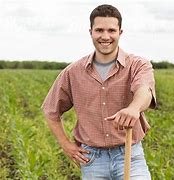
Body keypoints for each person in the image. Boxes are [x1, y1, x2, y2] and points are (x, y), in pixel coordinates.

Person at [42, 4, 156, 180]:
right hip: (92, 158)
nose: (105, 36)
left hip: (129, 154)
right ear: (91, 32)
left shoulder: (138, 65)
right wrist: (65, 144)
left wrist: (134, 108)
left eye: (111, 30)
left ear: (120, 32)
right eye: (99, 30)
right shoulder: (73, 71)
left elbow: (145, 90)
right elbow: (50, 110)